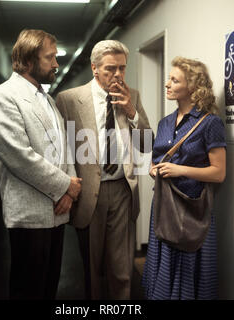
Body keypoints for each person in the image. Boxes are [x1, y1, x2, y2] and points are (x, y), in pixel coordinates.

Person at [0, 29, 82, 300]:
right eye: (49, 58)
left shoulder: (47, 99)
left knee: (48, 287)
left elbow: (64, 147)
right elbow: (18, 156)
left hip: (58, 211)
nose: (56, 64)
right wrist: (65, 186)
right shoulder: (3, 97)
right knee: (28, 290)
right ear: (27, 61)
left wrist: (71, 190)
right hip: (30, 216)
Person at [56, 40, 151, 299]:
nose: (118, 75)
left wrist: (131, 111)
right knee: (92, 270)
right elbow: (59, 150)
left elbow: (146, 144)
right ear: (94, 68)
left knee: (122, 270)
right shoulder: (69, 100)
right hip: (87, 192)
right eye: (111, 68)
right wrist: (65, 188)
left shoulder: (133, 95)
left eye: (122, 68)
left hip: (122, 189)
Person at [142, 56, 226, 300]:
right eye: (169, 79)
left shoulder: (210, 123)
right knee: (162, 268)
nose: (167, 84)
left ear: (192, 87)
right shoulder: (165, 123)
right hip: (164, 206)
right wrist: (154, 169)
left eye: (174, 80)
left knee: (189, 274)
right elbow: (157, 159)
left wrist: (181, 170)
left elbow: (219, 173)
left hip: (191, 209)